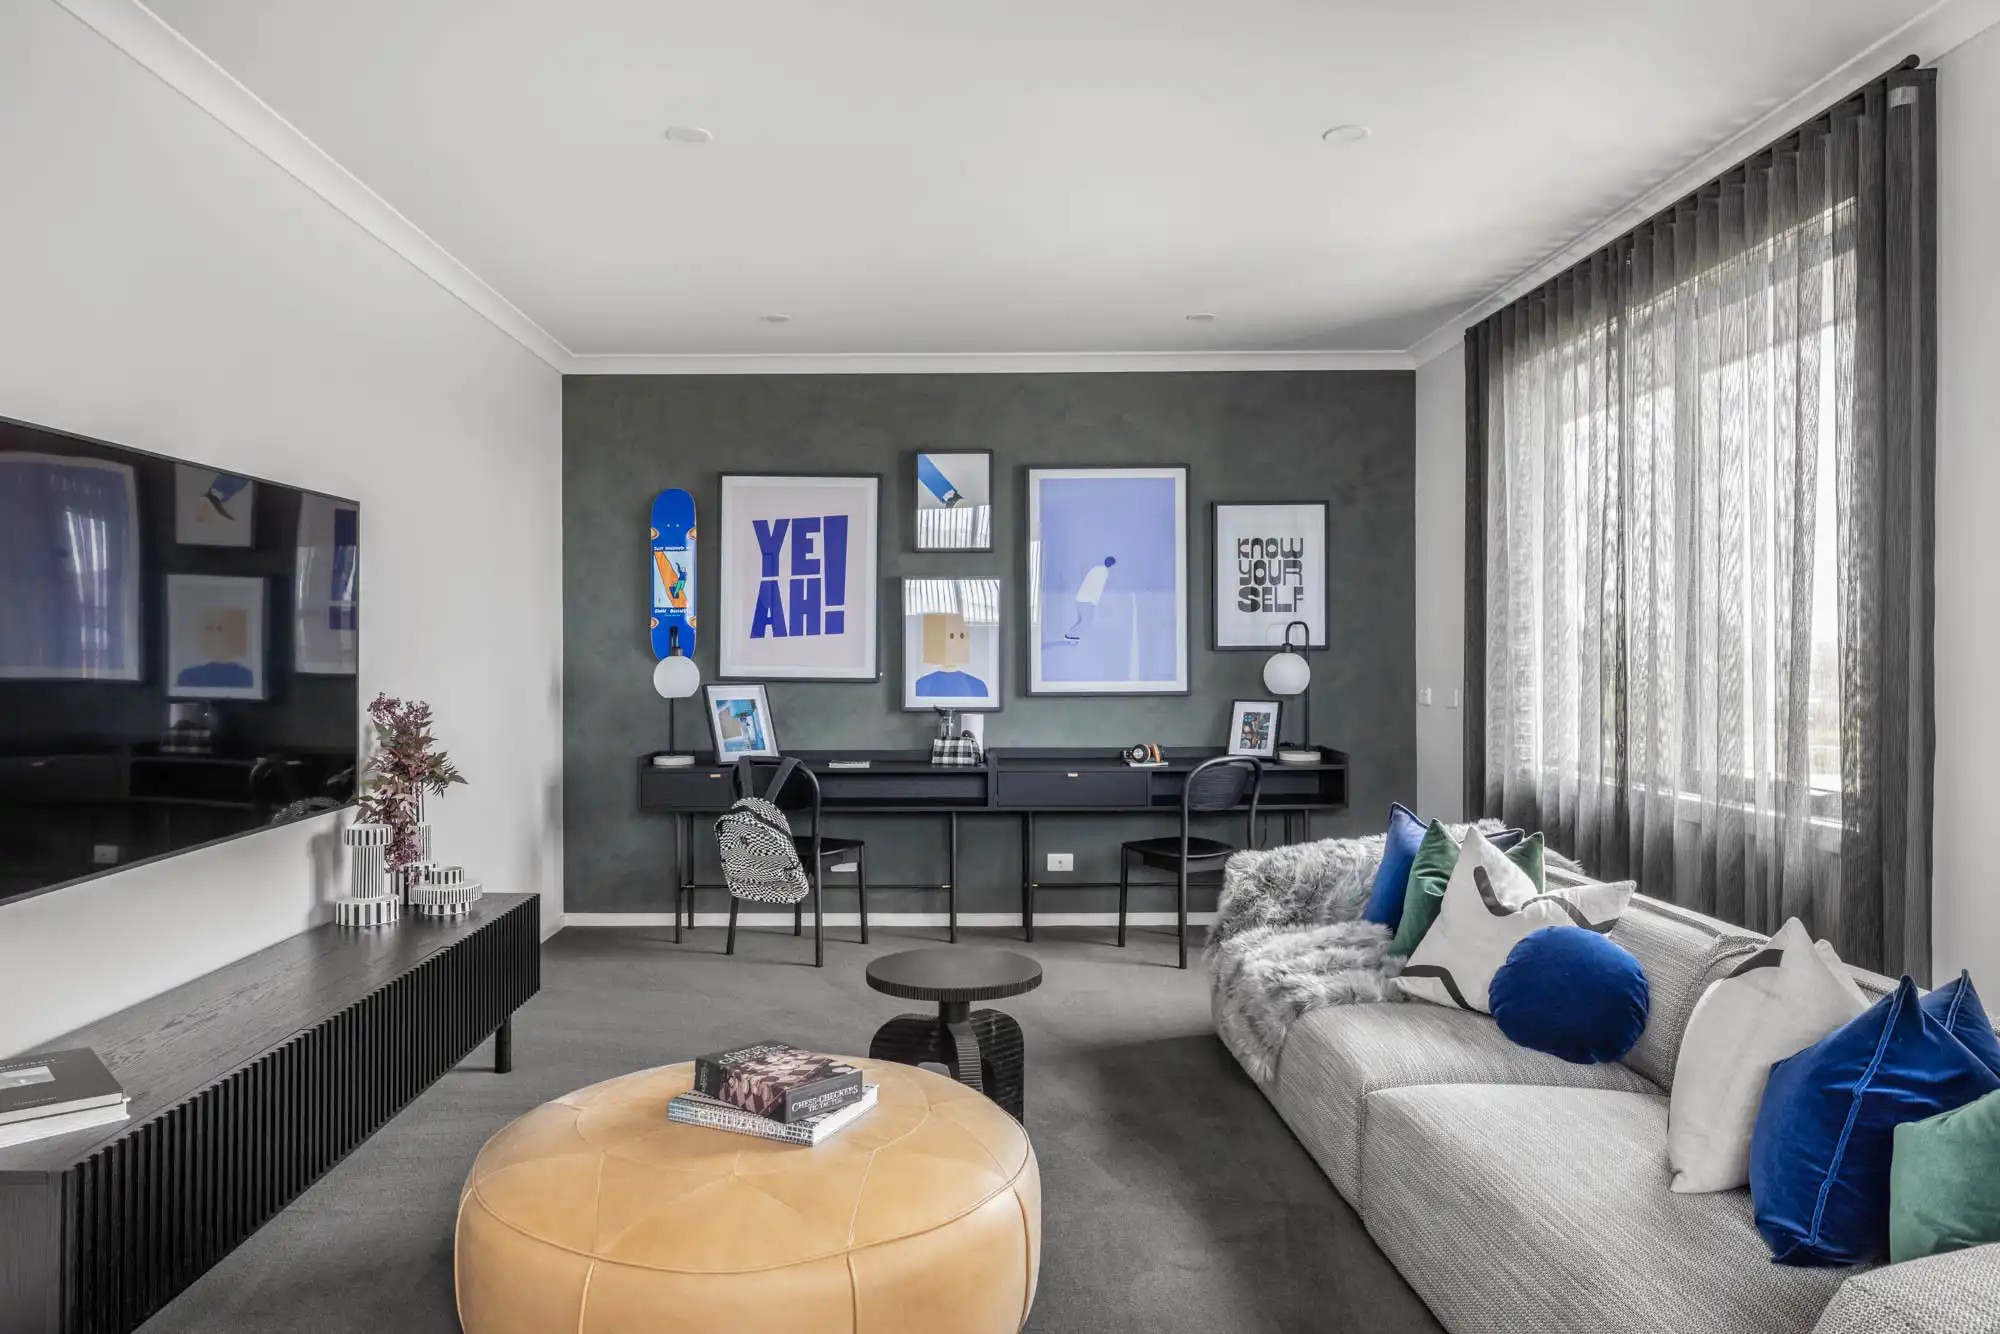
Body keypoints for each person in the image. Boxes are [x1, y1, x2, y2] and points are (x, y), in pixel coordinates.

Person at [1065, 556, 1116, 641]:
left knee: (1082, 620)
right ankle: (1070, 635)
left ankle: (1071, 635)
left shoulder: (1095, 569)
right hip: (1087, 599)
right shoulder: (1103, 573)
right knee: (1087, 620)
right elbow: (1098, 588)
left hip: (1081, 598)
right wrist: (1094, 602)